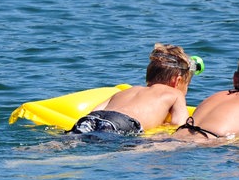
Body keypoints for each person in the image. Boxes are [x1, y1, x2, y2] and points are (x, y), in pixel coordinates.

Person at [68, 43, 200, 135]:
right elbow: (179, 124)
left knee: (72, 140)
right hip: (123, 124)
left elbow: (93, 112)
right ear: (176, 80)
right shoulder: (175, 93)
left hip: (92, 119)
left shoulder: (126, 92)